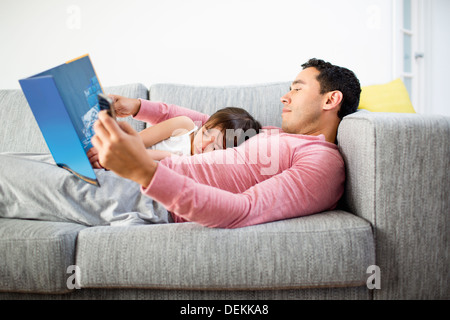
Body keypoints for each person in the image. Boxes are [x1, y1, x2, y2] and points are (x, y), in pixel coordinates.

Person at [91, 58, 362, 229]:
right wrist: (137, 106)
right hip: (140, 174)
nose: (285, 97)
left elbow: (242, 211)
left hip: (152, 195)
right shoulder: (273, 134)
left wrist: (143, 171)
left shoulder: (322, 162)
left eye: (297, 89)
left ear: (330, 100)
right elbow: (204, 125)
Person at [88, 106, 262, 167]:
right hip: (120, 151)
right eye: (207, 132)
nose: (204, 143)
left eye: (214, 147)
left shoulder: (201, 165)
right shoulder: (184, 125)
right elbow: (137, 140)